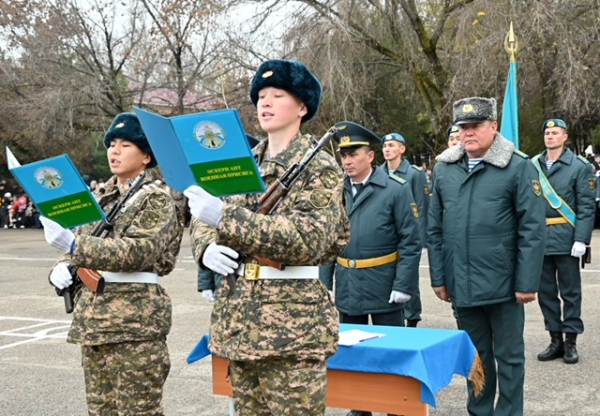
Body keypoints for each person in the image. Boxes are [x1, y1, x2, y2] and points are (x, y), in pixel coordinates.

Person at [186, 59, 349, 416]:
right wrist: (206, 246)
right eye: (260, 96)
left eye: (278, 95)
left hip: (292, 329)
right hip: (241, 324)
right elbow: (204, 217)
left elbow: (310, 238)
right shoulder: (243, 163)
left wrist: (225, 218)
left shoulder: (319, 166)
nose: (266, 102)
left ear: (303, 107)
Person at [40, 113, 183, 416]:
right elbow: (81, 243)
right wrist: (63, 265)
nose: (114, 151)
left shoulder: (155, 200)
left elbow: (138, 251)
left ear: (146, 156)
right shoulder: (100, 198)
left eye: (125, 144)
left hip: (134, 328)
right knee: (100, 411)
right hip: (94, 325)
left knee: (138, 412)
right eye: (111, 144)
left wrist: (75, 247)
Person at [427, 97, 546, 416]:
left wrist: (526, 283)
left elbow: (532, 229)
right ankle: (479, 412)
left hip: (504, 287)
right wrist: (439, 277)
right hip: (462, 288)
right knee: (475, 359)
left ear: (493, 127)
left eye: (476, 126)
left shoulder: (517, 167)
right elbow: (434, 228)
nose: (468, 133)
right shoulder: (444, 169)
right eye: (463, 127)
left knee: (508, 358)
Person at [319, 122, 421, 416]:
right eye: (343, 155)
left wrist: (404, 285)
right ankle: (360, 406)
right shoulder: (334, 192)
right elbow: (328, 240)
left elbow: (411, 242)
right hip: (348, 281)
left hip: (384, 281)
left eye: (353, 154)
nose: (347, 161)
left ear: (371, 156)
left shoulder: (394, 190)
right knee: (352, 349)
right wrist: (325, 282)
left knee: (390, 348)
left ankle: (395, 405)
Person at [532, 119, 595, 364]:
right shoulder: (532, 165)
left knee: (570, 293)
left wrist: (582, 239)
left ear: (565, 137)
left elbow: (586, 207)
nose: (550, 136)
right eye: (547, 132)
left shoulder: (579, 167)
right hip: (539, 239)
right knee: (545, 293)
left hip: (567, 239)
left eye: (555, 133)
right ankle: (555, 339)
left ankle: (570, 341)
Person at [380, 132, 428, 327]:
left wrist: (422, 241)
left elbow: (422, 208)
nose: (387, 149)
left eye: (392, 145)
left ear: (402, 149)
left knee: (409, 277)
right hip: (387, 236)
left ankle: (413, 317)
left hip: (407, 234)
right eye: (385, 146)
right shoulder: (379, 173)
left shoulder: (414, 174)